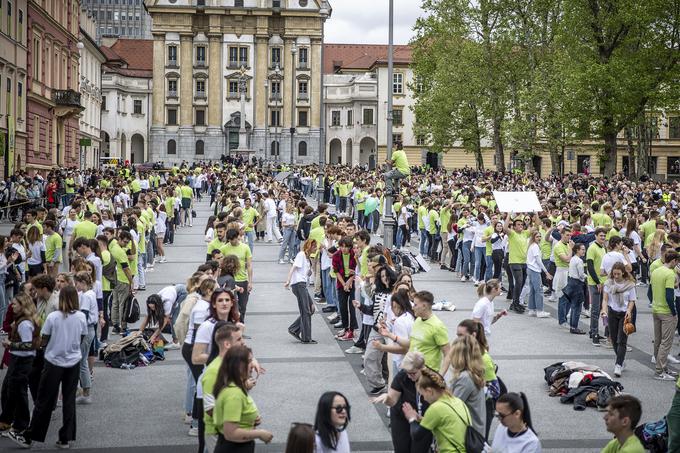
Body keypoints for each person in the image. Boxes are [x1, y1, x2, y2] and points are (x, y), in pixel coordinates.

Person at [8, 285, 87, 449]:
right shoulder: (80, 317)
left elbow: (44, 339)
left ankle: (31, 436)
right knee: (68, 400)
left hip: (53, 362)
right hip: (73, 361)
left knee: (44, 399)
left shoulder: (53, 317)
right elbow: (82, 336)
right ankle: (65, 437)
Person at [212, 345, 273, 452]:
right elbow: (230, 433)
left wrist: (250, 419)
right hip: (234, 448)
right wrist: (260, 434)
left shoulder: (233, 385)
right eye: (249, 361)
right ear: (238, 365)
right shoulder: (234, 394)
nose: (252, 365)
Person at [370, 351, 432, 453]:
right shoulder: (402, 376)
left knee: (419, 449)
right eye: (407, 372)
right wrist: (386, 398)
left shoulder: (432, 379)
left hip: (424, 418)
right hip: (401, 417)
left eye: (413, 373)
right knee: (401, 448)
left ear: (422, 368)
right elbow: (393, 400)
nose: (409, 376)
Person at [402, 367, 471, 453]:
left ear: (429, 391)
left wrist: (411, 418)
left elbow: (416, 435)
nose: (424, 399)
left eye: (422, 395)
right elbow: (447, 423)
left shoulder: (436, 408)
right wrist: (421, 419)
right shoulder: (457, 401)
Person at [0, 292, 40, 434]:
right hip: (19, 360)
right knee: (12, 391)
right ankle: (9, 421)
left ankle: (18, 423)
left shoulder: (24, 324)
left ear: (22, 306)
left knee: (17, 391)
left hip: (22, 361)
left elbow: (28, 345)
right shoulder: (23, 320)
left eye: (15, 303)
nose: (12, 305)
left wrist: (10, 344)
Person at [446, 335, 487, 436]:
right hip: (475, 432)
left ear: (459, 356)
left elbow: (451, 407)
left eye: (452, 354)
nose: (449, 358)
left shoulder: (465, 378)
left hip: (467, 435)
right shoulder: (472, 373)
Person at [601, 262, 636, 377]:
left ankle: (618, 364)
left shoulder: (630, 285)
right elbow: (605, 299)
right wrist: (604, 310)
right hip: (612, 312)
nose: (616, 276)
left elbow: (632, 300)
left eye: (618, 274)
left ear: (623, 273)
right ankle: (621, 360)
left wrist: (629, 311)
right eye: (614, 274)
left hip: (624, 314)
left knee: (622, 340)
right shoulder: (608, 283)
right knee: (614, 338)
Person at [651, 250, 679, 381]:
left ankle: (662, 367)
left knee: (658, 340)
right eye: (677, 261)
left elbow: (650, 292)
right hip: (666, 311)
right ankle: (659, 371)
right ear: (673, 261)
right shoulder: (670, 273)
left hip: (656, 309)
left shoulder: (656, 270)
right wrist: (674, 312)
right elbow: (669, 295)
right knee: (666, 342)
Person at [285, 239, 318, 344]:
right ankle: (306, 337)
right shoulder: (301, 255)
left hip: (302, 284)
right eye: (314, 246)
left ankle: (294, 329)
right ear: (309, 247)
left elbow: (307, 273)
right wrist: (288, 280)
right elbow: (293, 268)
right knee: (306, 310)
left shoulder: (307, 258)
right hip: (299, 284)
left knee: (311, 308)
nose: (315, 248)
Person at [526, 230, 552, 317]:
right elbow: (539, 261)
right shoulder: (535, 247)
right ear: (533, 237)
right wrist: (546, 272)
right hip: (534, 270)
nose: (539, 238)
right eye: (537, 236)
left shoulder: (532, 246)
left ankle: (532, 309)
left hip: (531, 269)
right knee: (539, 290)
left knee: (533, 290)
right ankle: (540, 311)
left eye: (540, 236)